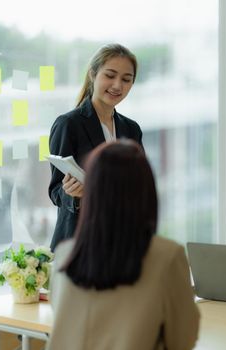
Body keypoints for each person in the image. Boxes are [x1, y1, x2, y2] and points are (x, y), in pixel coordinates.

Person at [47, 140, 200, 350]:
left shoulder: (65, 254)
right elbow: (183, 340)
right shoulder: (167, 257)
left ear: (92, 191)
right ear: (146, 192)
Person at [48, 43, 143, 251]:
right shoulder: (68, 124)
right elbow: (55, 190)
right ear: (93, 74)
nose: (118, 85)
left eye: (126, 79)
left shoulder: (132, 129)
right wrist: (72, 194)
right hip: (79, 246)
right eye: (110, 75)